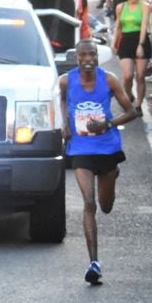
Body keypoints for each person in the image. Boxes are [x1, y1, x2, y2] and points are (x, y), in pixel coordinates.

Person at [60, 39, 138, 285]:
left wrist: (107, 123)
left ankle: (112, 175)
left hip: (107, 148)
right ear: (77, 58)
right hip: (81, 148)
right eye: (83, 55)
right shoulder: (66, 81)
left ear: (97, 56)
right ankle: (94, 262)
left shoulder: (109, 79)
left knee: (106, 206)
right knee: (89, 203)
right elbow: (59, 100)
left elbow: (132, 111)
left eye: (92, 54)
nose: (88, 59)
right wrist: (65, 123)